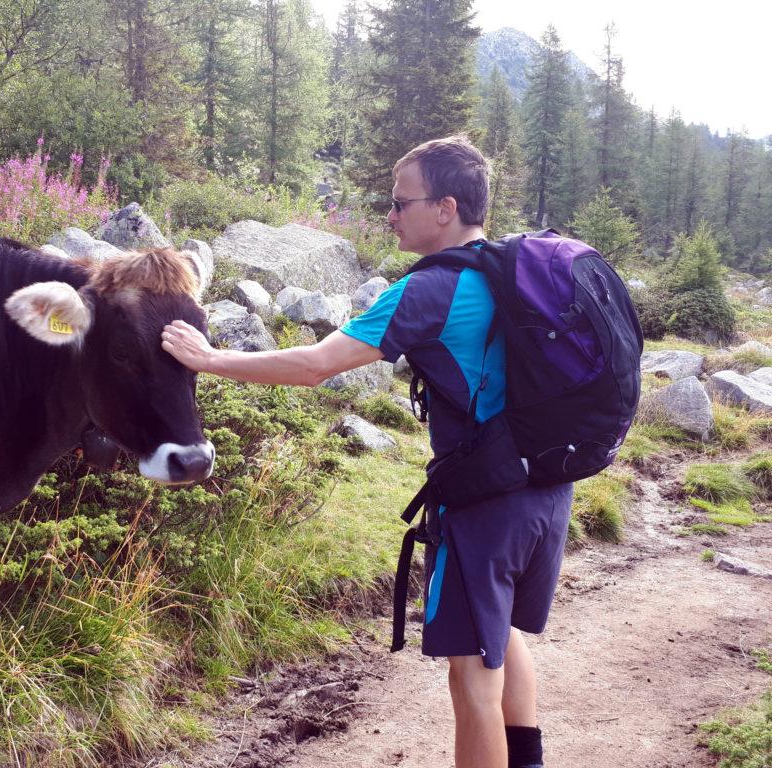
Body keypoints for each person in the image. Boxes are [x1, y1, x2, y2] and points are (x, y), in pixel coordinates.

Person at [161, 135, 571, 768]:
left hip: (488, 505)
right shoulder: (511, 271)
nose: (390, 213)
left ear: (446, 208)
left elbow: (316, 365)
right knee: (504, 636)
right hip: (547, 484)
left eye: (400, 201)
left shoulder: (432, 290)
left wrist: (211, 359)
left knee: (473, 679)